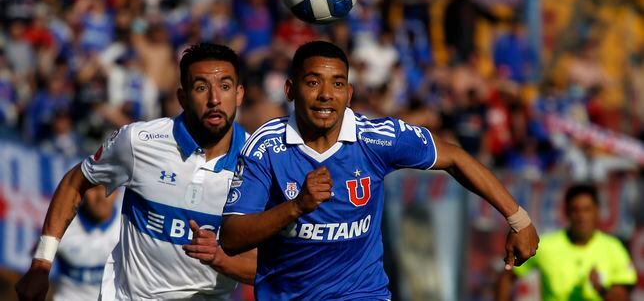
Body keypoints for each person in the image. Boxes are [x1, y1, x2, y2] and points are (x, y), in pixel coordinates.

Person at [219, 41, 539, 300]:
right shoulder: (265, 146)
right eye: (313, 82)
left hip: (362, 294)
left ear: (349, 93)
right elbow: (232, 238)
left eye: (338, 83)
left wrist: (519, 219)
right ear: (290, 90)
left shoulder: (375, 137)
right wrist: (296, 207)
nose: (326, 94)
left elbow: (455, 158)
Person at [16, 43, 256, 300]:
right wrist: (41, 263)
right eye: (200, 87)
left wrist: (220, 258)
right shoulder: (138, 141)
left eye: (225, 86)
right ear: (182, 98)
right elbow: (75, 181)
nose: (214, 99)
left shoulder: (259, 162)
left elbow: (268, 266)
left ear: (240, 94)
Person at [496, 184, 637, 301]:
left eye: (587, 210)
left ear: (597, 212)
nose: (581, 216)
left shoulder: (613, 248)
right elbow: (507, 276)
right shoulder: (546, 245)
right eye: (576, 210)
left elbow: (623, 296)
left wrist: (600, 289)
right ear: (567, 213)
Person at [52, 185, 120, 301]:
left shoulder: (131, 227)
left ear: (117, 191)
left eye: (109, 188)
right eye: (95, 189)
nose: (102, 196)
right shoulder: (60, 225)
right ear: (82, 191)